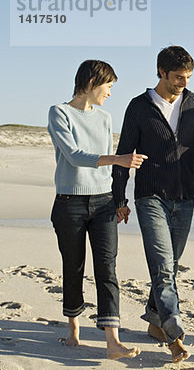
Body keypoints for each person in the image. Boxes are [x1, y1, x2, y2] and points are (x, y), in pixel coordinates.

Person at [112, 46, 194, 363]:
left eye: (188, 77)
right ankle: (174, 336)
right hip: (150, 196)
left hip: (186, 197)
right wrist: (119, 197)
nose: (183, 83)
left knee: (171, 266)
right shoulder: (139, 107)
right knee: (163, 268)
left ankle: (154, 319)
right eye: (178, 77)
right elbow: (123, 154)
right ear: (161, 72)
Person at [48, 60, 145, 359]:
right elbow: (75, 156)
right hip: (69, 203)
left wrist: (119, 201)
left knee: (107, 269)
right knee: (73, 267)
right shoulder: (59, 112)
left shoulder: (105, 118)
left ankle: (112, 342)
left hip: (103, 202)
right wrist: (118, 159)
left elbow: (111, 168)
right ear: (91, 82)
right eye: (108, 86)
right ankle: (73, 329)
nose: (110, 93)